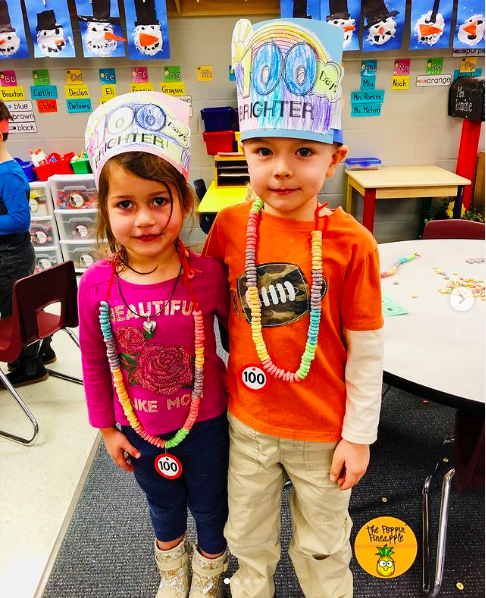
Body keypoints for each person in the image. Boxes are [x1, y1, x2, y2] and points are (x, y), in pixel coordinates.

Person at [203, 18, 384, 598]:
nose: (282, 168)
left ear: (334, 158)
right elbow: (202, 310)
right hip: (249, 423)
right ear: (244, 154)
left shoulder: (352, 242)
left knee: (323, 543)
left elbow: (367, 350)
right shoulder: (230, 226)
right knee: (248, 537)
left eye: (303, 151)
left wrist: (359, 436)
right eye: (264, 151)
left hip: (323, 433)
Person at [79, 92, 230, 598]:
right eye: (126, 204)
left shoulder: (207, 274)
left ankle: (208, 575)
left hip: (206, 422)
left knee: (211, 503)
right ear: (104, 208)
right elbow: (96, 363)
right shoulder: (96, 284)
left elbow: (241, 340)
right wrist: (106, 429)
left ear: (184, 203)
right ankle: (173, 573)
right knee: (162, 504)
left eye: (158, 201)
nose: (143, 219)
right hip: (139, 425)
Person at [0, 100, 55, 387]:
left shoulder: (6, 174)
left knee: (13, 313)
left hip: (9, 258)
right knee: (17, 305)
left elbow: (20, 220)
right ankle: (42, 350)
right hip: (11, 256)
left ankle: (29, 366)